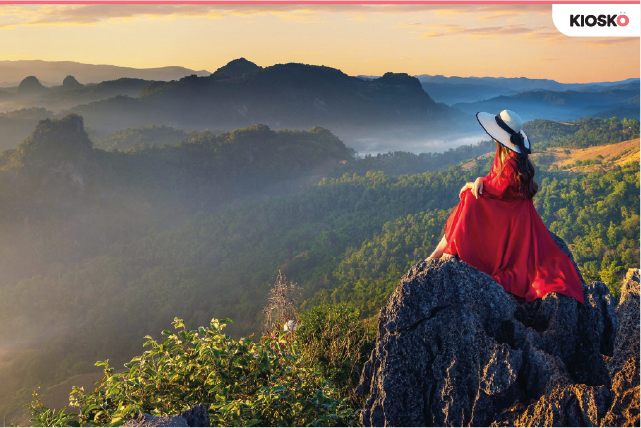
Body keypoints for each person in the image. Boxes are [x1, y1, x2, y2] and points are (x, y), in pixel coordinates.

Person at [429, 110, 584, 304]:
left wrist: (472, 184)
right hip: (513, 210)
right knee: (470, 198)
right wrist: (479, 180)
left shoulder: (510, 161)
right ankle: (442, 249)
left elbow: (497, 189)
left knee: (470, 199)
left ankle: (443, 250)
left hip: (512, 215)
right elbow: (495, 182)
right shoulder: (512, 156)